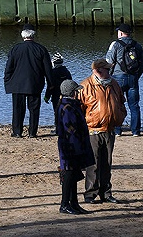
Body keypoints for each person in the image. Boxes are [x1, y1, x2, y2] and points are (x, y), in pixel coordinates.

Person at [77, 58, 127, 204]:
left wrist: (120, 116)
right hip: (92, 131)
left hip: (109, 130)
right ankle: (90, 194)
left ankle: (106, 193)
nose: (110, 71)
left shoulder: (114, 84)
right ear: (98, 71)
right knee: (93, 164)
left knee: (107, 163)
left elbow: (121, 102)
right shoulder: (85, 86)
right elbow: (78, 110)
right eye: (107, 69)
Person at [4, 24, 54, 138]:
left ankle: (17, 132)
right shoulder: (41, 49)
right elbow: (48, 70)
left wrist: (7, 82)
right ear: (33, 35)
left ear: (22, 35)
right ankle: (32, 132)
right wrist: (50, 84)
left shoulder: (15, 49)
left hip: (17, 84)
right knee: (34, 109)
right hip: (35, 84)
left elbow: (8, 68)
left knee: (17, 109)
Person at [56, 79, 95, 215]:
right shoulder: (68, 108)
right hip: (70, 146)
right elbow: (70, 130)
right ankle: (65, 204)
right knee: (68, 175)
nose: (78, 93)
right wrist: (78, 148)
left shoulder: (69, 105)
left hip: (73, 145)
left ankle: (74, 203)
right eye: (76, 91)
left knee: (73, 174)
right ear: (72, 93)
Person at [105, 23, 143, 136]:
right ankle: (136, 131)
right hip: (133, 78)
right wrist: (136, 76)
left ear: (121, 33)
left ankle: (118, 130)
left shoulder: (115, 44)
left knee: (117, 104)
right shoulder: (137, 45)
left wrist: (107, 77)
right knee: (134, 106)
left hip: (118, 78)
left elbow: (109, 61)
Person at [44, 52, 72, 134]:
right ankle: (67, 128)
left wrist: (46, 97)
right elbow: (71, 83)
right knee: (66, 111)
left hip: (56, 95)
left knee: (57, 112)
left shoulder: (52, 72)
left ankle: (58, 129)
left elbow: (50, 86)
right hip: (66, 96)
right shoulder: (66, 71)